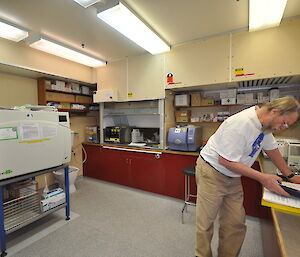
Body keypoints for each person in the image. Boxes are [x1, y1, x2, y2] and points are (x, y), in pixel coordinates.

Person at [195, 96, 300, 257]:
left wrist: (291, 175)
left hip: (233, 175)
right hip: (211, 172)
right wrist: (262, 177)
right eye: (284, 122)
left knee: (235, 224)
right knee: (206, 223)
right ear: (275, 111)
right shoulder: (241, 123)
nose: (284, 127)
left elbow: (272, 150)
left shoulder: (265, 126)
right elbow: (226, 160)